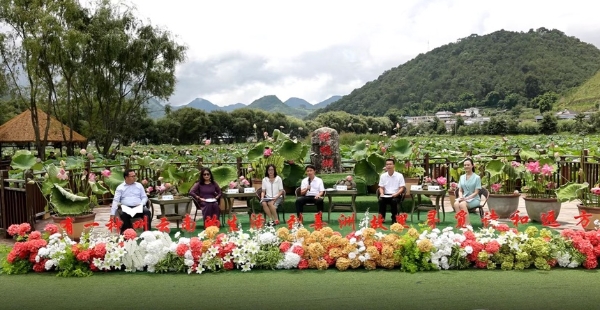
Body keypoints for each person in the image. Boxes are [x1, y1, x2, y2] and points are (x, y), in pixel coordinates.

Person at [453, 158, 481, 226]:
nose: (466, 166)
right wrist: (461, 197)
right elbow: (460, 190)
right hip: (464, 198)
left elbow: (476, 192)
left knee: (462, 204)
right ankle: (461, 223)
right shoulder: (462, 177)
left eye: (468, 165)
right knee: (456, 204)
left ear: (472, 166)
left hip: (474, 199)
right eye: (465, 165)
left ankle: (468, 224)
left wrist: (467, 198)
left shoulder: (477, 177)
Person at [378, 158, 406, 223]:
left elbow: (402, 188)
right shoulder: (383, 176)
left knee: (394, 201)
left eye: (390, 164)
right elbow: (381, 187)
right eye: (387, 164)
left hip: (396, 195)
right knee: (381, 200)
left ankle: (394, 219)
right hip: (386, 195)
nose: (389, 166)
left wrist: (396, 194)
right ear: (385, 166)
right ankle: (381, 219)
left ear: (394, 165)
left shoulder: (399, 175)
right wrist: (381, 193)